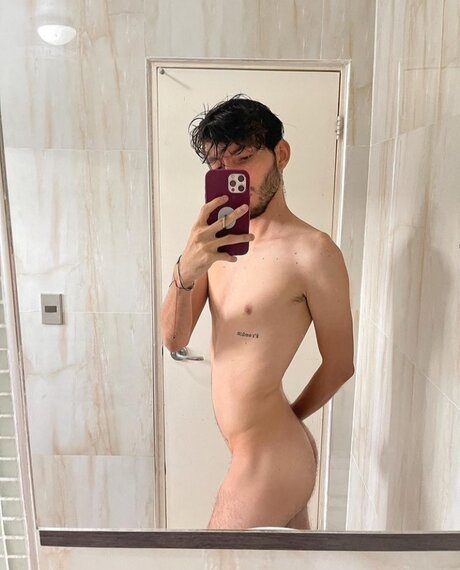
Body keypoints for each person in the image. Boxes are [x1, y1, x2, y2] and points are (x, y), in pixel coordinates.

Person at [160, 94, 354, 530]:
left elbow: (341, 364)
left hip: (270, 455)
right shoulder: (211, 244)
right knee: (290, 562)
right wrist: (185, 270)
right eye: (217, 165)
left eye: (244, 159)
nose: (232, 175)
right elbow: (174, 339)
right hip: (259, 450)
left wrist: (286, 422)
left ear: (280, 154)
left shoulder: (313, 252)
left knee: (217, 558)